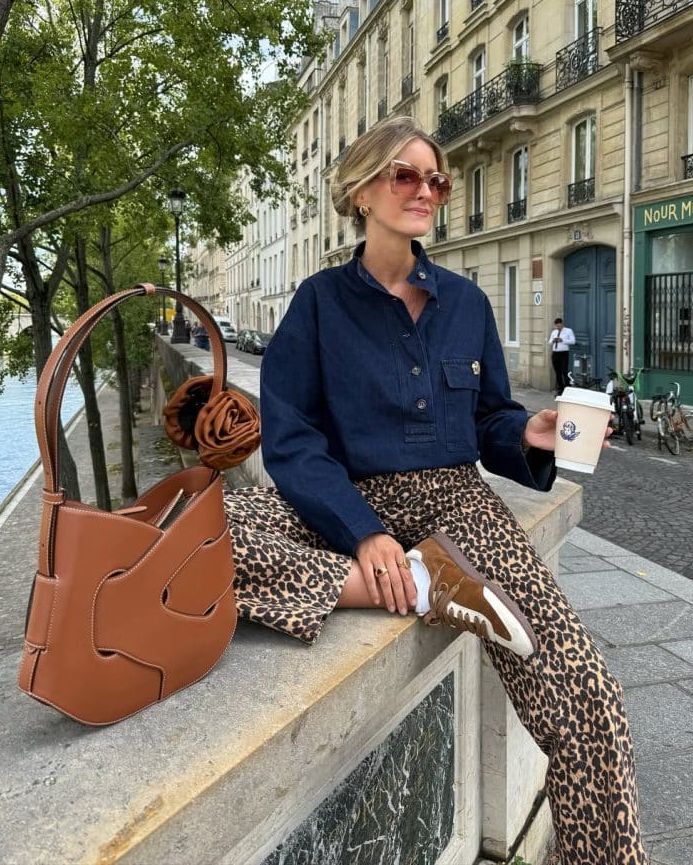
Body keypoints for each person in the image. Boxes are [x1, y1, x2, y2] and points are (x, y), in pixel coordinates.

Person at [224, 117, 647, 865]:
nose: (426, 191)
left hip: (458, 506)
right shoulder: (318, 304)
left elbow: (486, 421)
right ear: (360, 191)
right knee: (206, 529)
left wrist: (528, 435)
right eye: (405, 175)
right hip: (347, 505)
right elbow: (291, 441)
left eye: (436, 180)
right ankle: (423, 582)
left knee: (587, 694)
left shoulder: (466, 303)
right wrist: (363, 533)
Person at [548, 316, 576, 396]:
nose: (558, 327)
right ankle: (560, 388)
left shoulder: (568, 331)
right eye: (557, 326)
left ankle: (567, 387)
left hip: (563, 353)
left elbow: (573, 341)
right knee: (557, 372)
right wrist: (553, 340)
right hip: (555, 353)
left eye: (559, 325)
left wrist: (562, 340)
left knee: (564, 371)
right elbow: (549, 342)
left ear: (562, 324)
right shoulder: (554, 332)